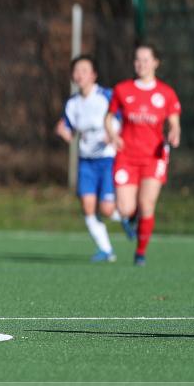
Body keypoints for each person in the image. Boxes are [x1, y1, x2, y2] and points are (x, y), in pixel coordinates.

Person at [106, 43, 181, 266]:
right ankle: (132, 215)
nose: (141, 64)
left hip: (154, 157)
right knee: (125, 208)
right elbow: (108, 117)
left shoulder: (166, 93)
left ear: (156, 63)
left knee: (147, 204)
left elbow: (174, 123)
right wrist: (112, 134)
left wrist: (174, 133)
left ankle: (140, 252)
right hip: (126, 156)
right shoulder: (122, 89)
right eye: (137, 60)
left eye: (146, 60)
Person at [55, 55, 125, 263]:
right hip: (86, 160)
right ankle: (105, 249)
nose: (80, 75)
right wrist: (63, 132)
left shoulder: (106, 96)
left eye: (84, 70)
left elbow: (121, 119)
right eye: (76, 71)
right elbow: (68, 129)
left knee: (106, 208)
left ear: (94, 75)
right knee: (87, 205)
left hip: (107, 159)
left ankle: (126, 217)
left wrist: (112, 133)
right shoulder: (73, 103)